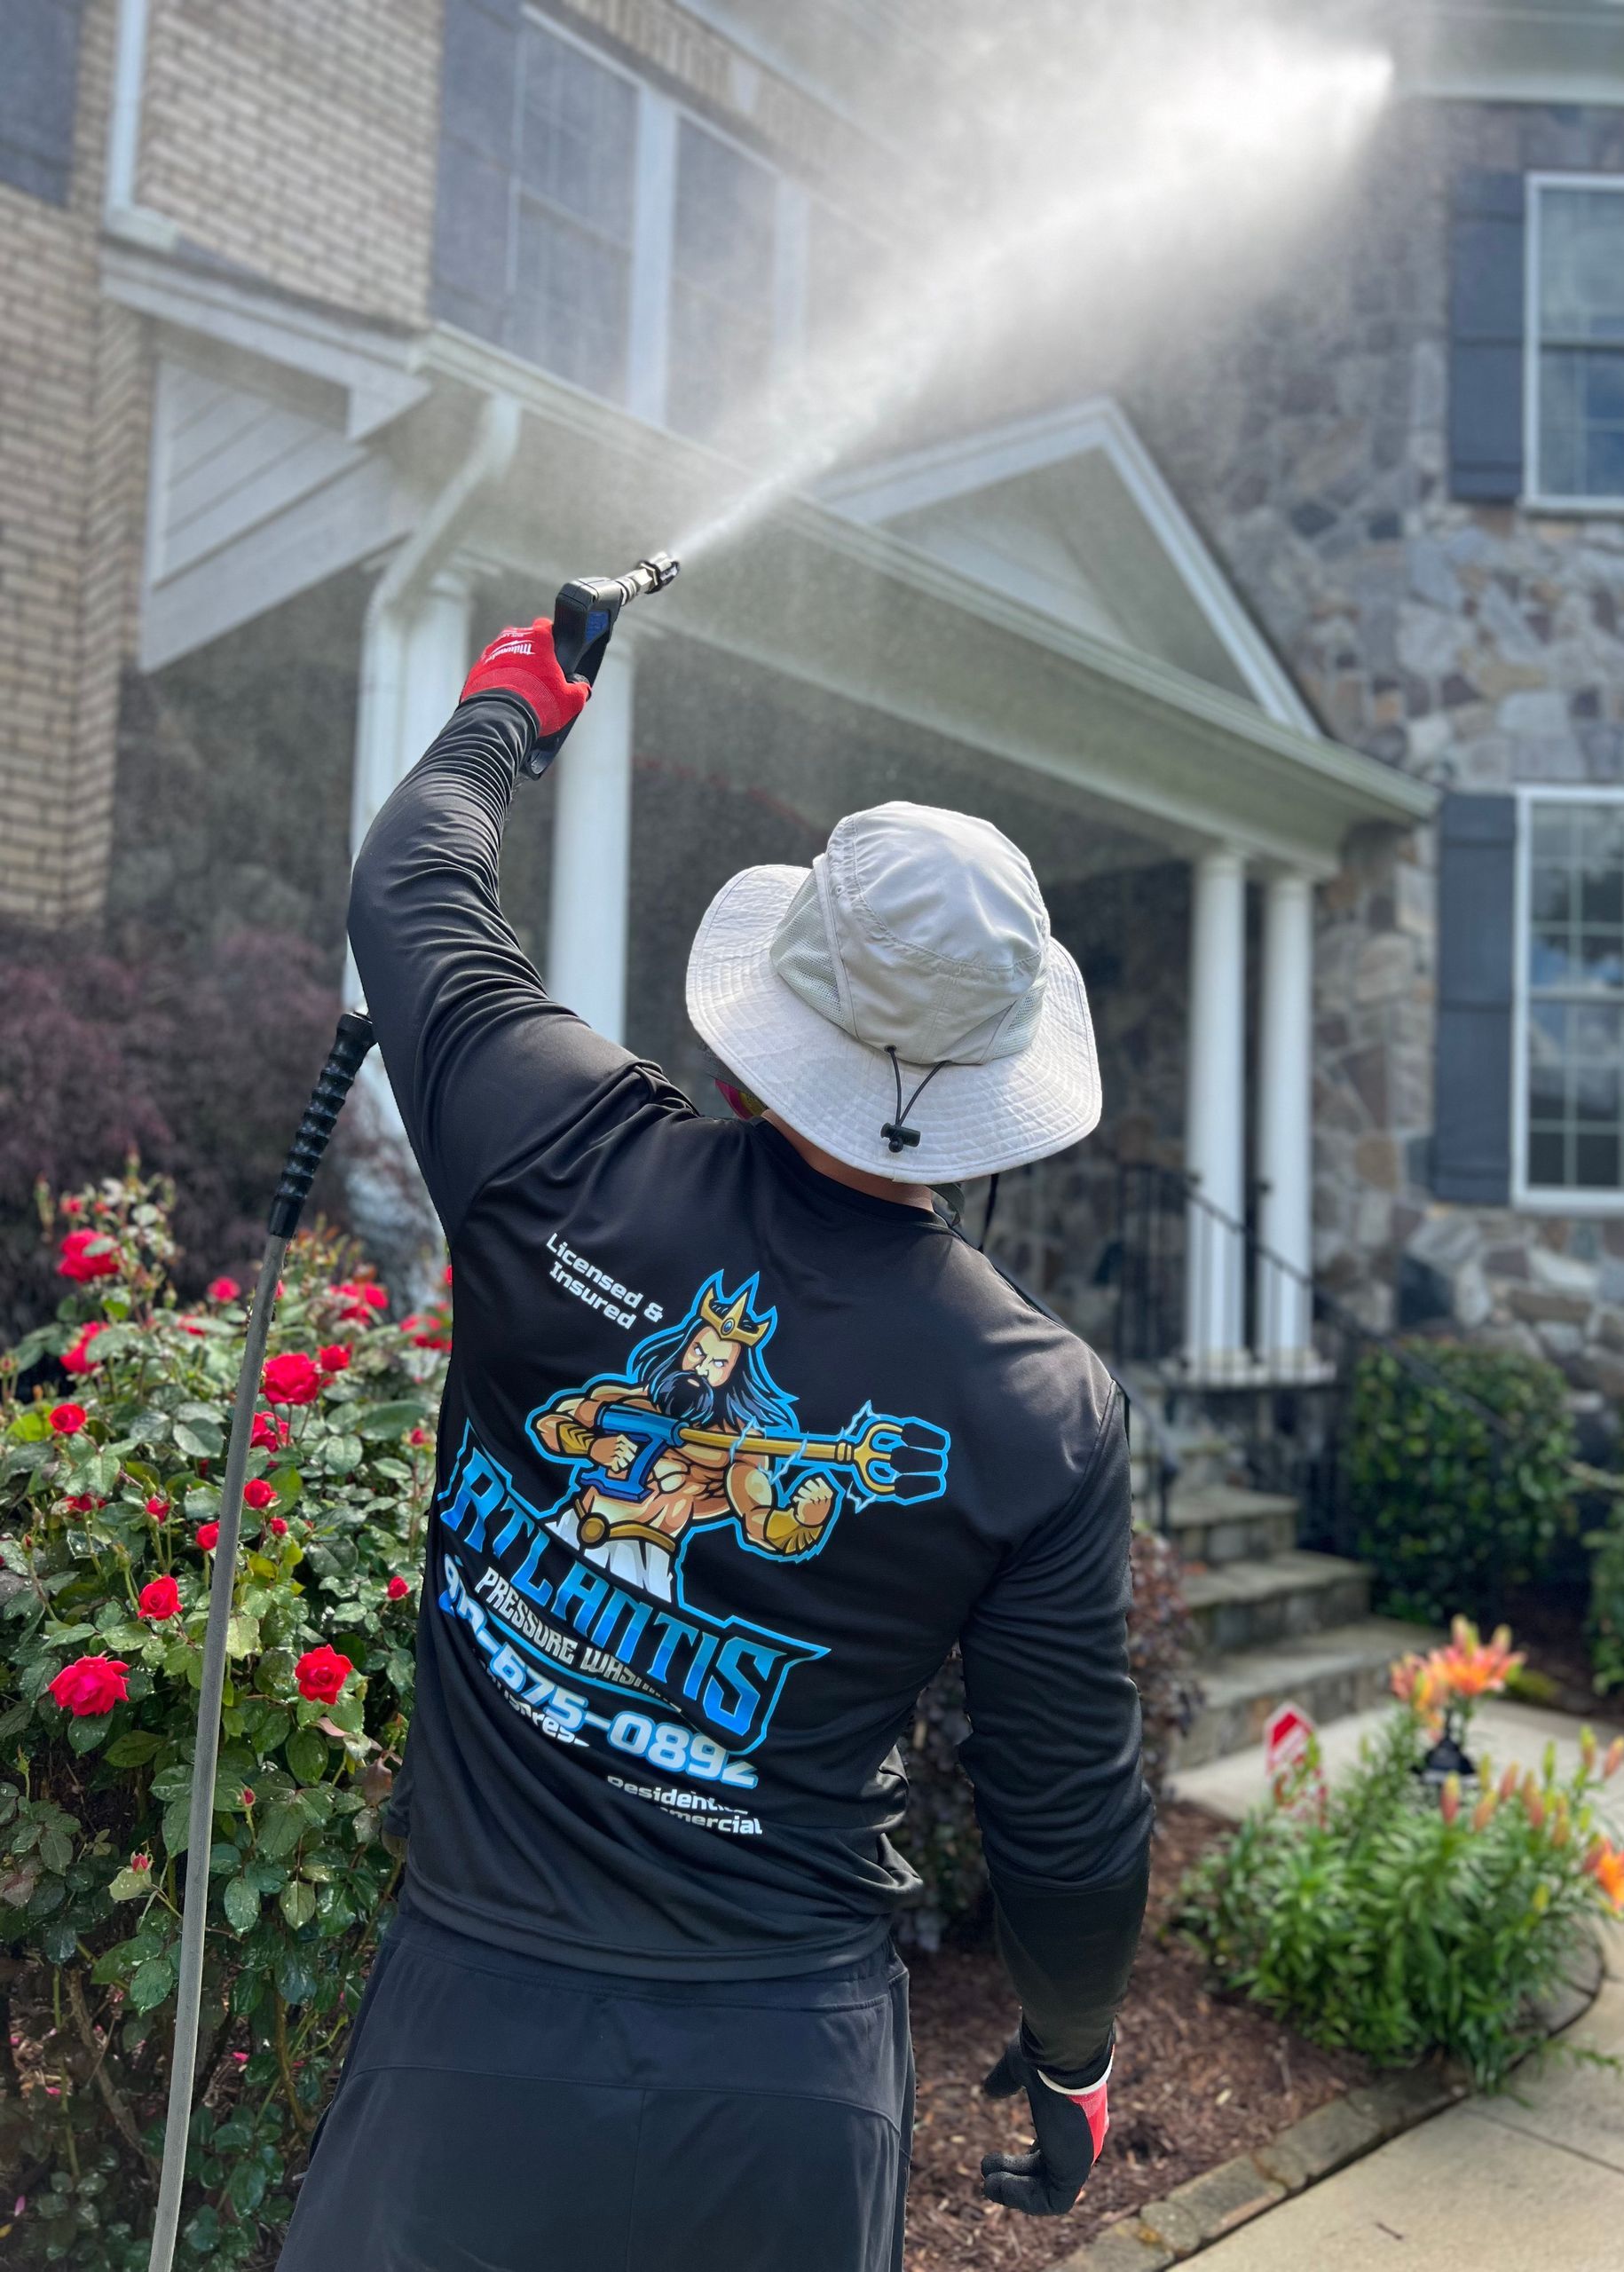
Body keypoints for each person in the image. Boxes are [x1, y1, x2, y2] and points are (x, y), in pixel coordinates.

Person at [277, 614, 1154, 2272]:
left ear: (784, 1011)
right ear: (990, 1085)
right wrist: (1072, 2057)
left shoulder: (555, 1145)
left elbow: (412, 882)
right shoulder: (1040, 1406)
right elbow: (1069, 1816)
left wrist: (512, 707)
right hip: (784, 2085)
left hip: (470, 2037)